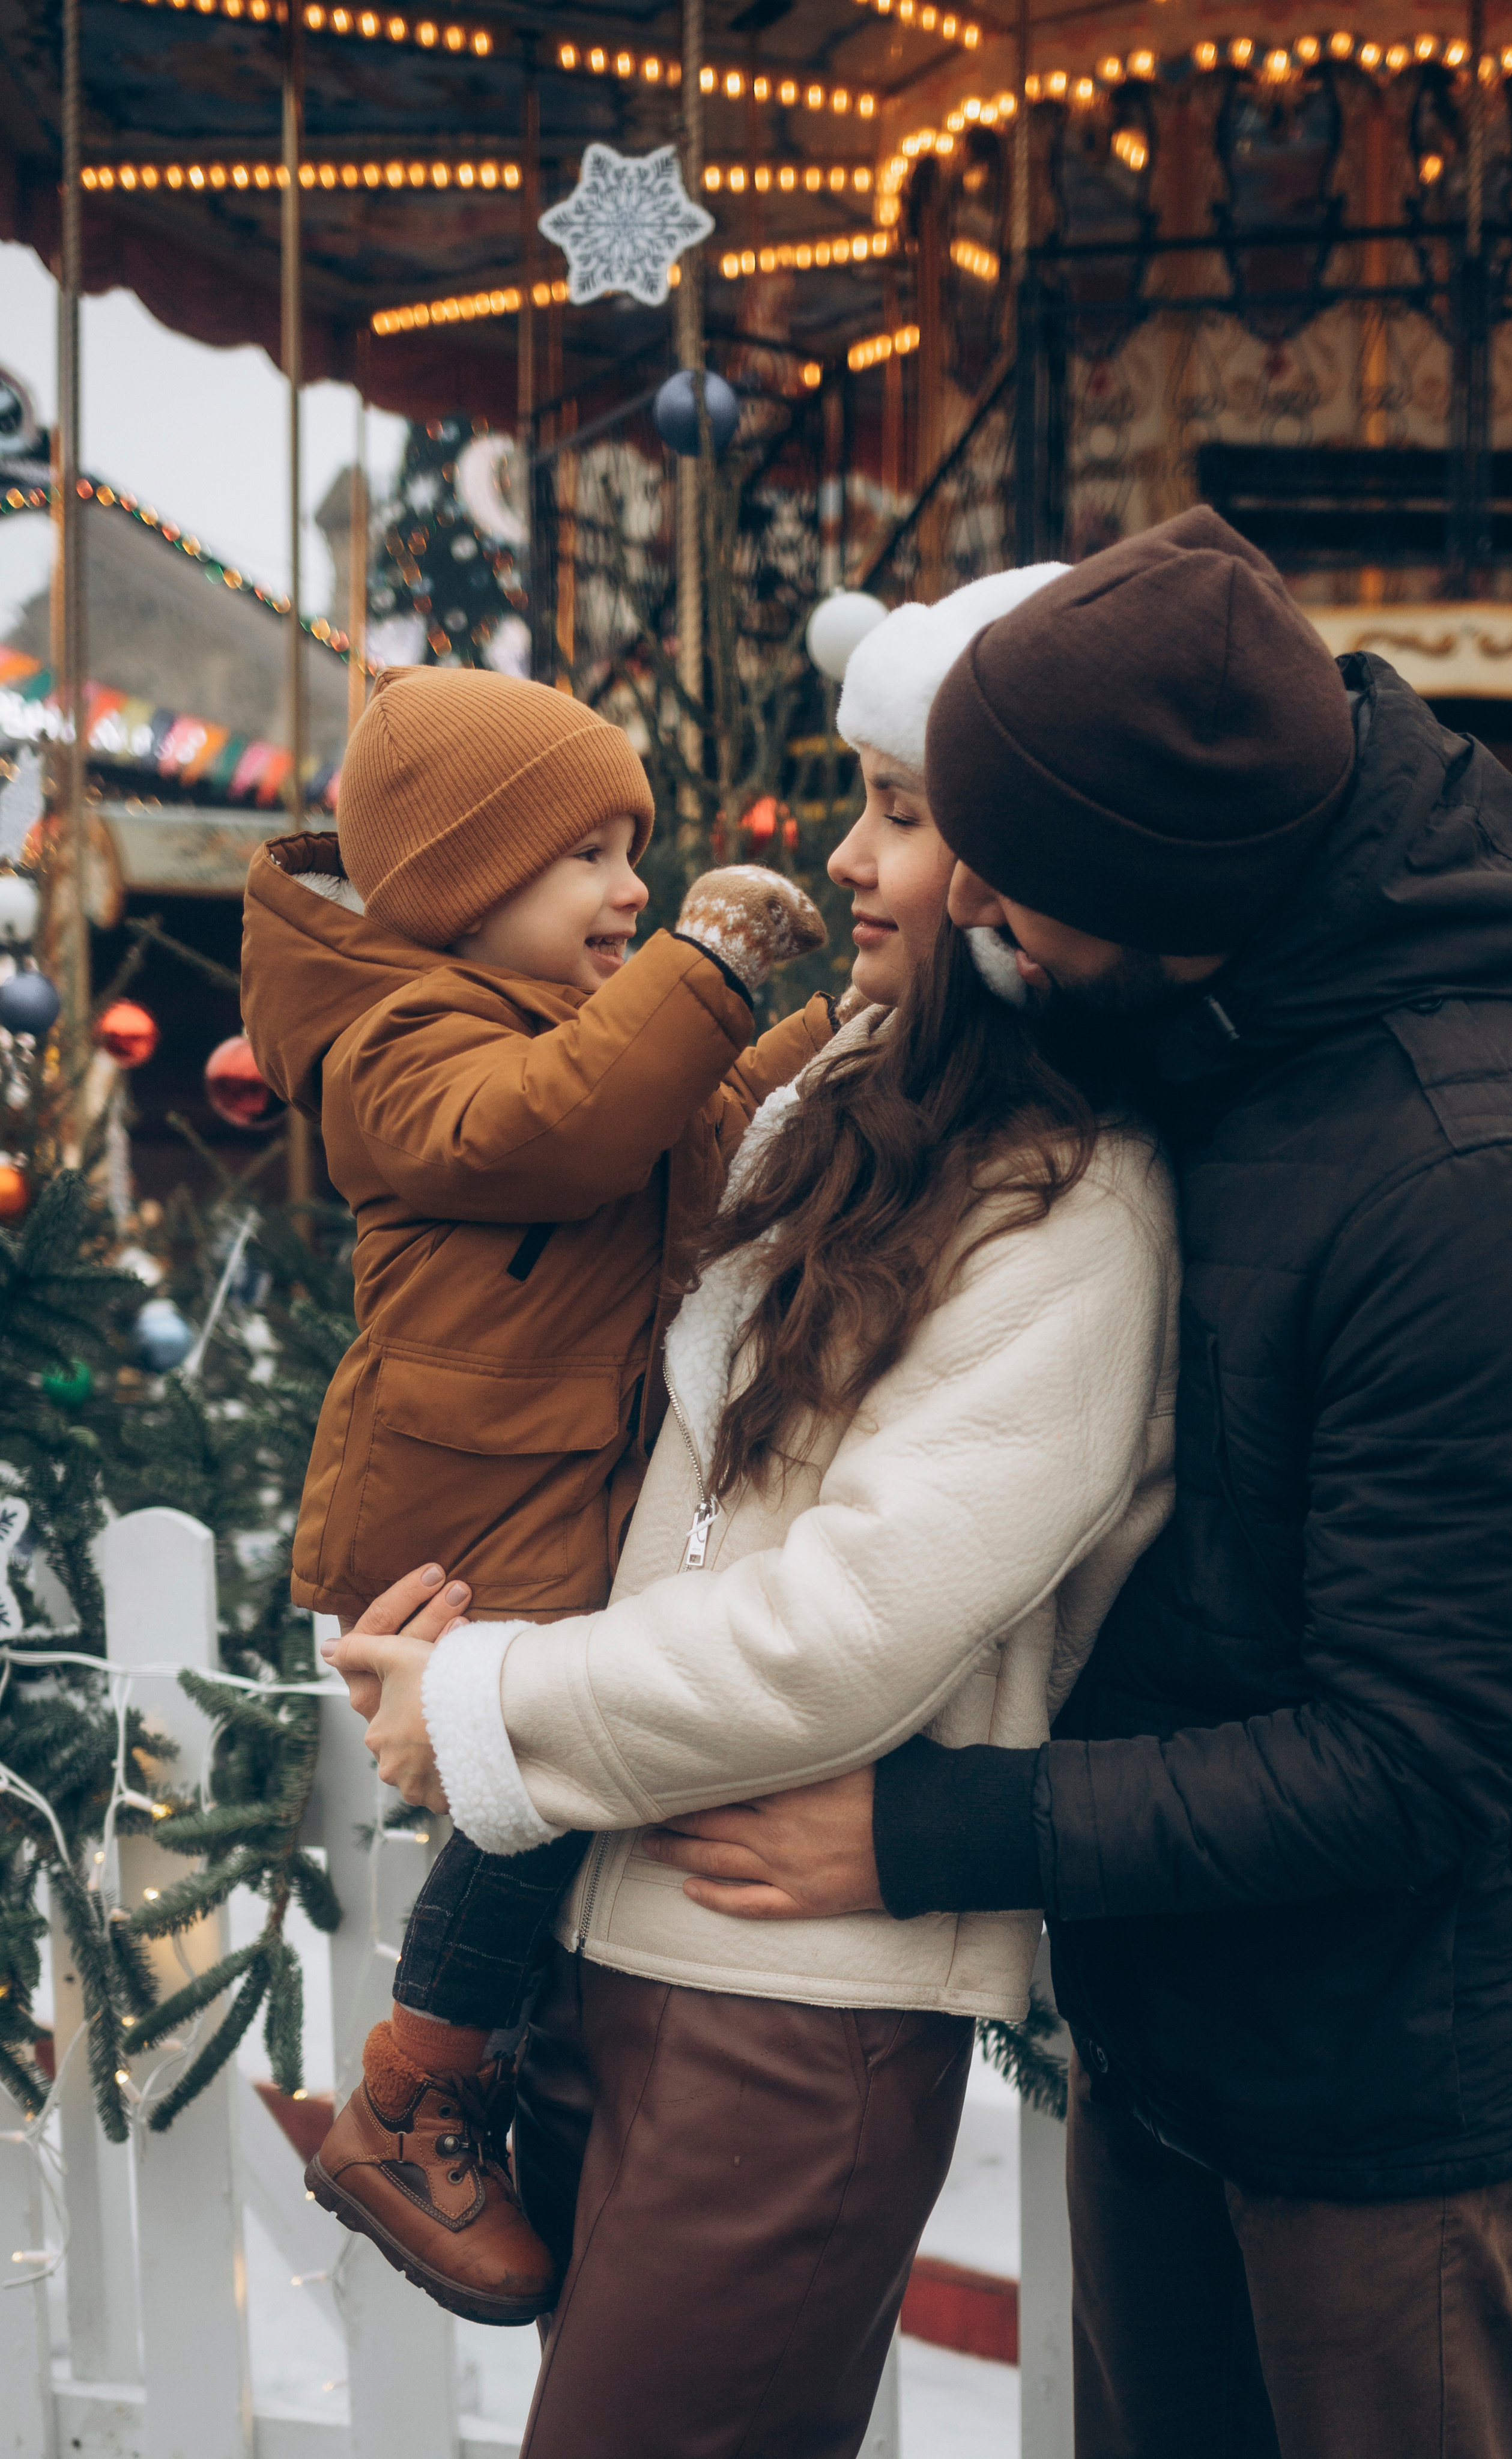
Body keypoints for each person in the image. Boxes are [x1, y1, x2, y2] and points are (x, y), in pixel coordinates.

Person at [641, 508, 1512, 2459]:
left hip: (1394, 2130)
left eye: (1009, 879)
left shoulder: (1462, 1174)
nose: (963, 911)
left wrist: (925, 1833)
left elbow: (1417, 1754)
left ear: (1161, 881)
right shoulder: (1201, 1020)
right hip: (1176, 2046)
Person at [325, 560, 1182, 2459]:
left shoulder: (1078, 1201)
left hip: (793, 2003)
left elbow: (867, 1616)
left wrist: (495, 1713)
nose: (848, 863)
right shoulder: (832, 1106)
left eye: (899, 814)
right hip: (617, 1938)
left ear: (1020, 858)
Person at [241, 664, 827, 2324]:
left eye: (636, 852)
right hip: (460, 1524)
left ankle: (470, 2076)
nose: (630, 890)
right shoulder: (400, 1044)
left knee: (557, 1797)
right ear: (454, 885)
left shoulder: (577, 1033)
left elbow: (704, 1121)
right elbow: (549, 1138)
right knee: (529, 1795)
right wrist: (699, 964)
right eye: (586, 856)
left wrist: (838, 1032)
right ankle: (408, 2096)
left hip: (555, 1499)